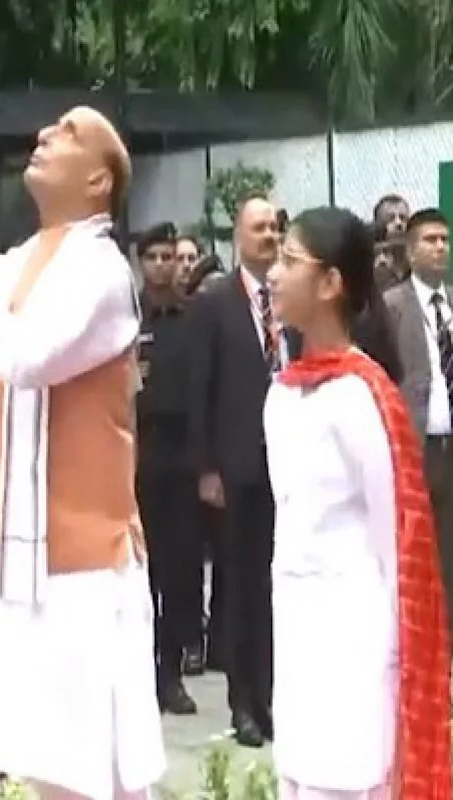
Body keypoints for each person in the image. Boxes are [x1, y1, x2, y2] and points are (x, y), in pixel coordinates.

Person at [0, 107, 164, 799]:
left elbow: (24, 356)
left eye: (70, 133)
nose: (47, 135)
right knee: (42, 764)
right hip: (17, 552)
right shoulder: (26, 259)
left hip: (80, 560)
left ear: (99, 182)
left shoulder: (103, 269)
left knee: (86, 772)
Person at [264, 206, 453, 799]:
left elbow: (397, 542)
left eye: (290, 262)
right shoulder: (282, 394)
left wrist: (401, 664)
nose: (273, 274)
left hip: (354, 639)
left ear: (330, 284)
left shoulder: (361, 395)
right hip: (297, 626)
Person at [187, 196, 283, 748]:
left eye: (275, 226)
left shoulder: (290, 299)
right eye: (259, 227)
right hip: (236, 465)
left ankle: (271, 697)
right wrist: (206, 468)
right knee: (241, 588)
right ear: (237, 237)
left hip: (286, 468)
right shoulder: (215, 301)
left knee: (276, 589)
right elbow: (200, 388)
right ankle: (243, 701)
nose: (269, 236)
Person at [383, 208, 453, 642]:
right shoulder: (391, 306)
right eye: (430, 239)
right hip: (415, 453)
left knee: (452, 576)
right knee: (410, 573)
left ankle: (439, 688)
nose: (441, 247)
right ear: (410, 251)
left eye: (445, 239)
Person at [135, 222, 200, 715]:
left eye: (167, 256)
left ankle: (171, 673)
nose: (161, 264)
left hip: (181, 457)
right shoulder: (126, 316)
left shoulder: (191, 315)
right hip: (137, 456)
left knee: (179, 573)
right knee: (140, 573)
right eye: (153, 256)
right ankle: (138, 669)